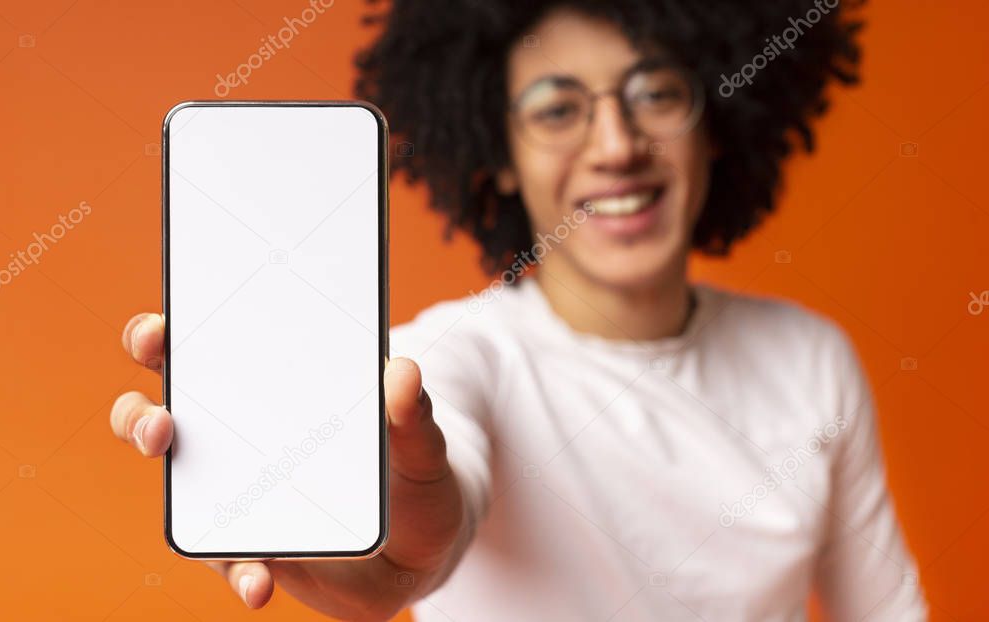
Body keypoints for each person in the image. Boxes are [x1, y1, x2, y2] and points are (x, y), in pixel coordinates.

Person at [110, 1, 928, 619]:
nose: (615, 145)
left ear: (714, 123)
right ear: (498, 155)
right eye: (557, 108)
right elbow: (425, 505)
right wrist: (389, 562)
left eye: (654, 93)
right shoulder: (442, 361)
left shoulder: (811, 359)